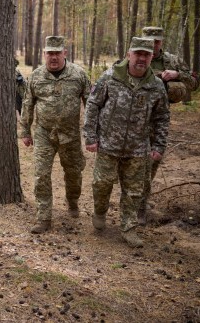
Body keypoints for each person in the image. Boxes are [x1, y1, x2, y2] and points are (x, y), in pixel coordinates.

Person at [83, 37, 170, 248]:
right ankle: (100, 211)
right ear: (129, 54)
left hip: (138, 147)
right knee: (101, 184)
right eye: (138, 53)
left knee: (133, 191)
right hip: (108, 144)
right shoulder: (110, 77)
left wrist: (159, 146)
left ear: (151, 57)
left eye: (146, 55)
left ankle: (129, 228)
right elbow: (93, 105)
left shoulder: (156, 86)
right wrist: (90, 137)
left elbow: (162, 118)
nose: (141, 58)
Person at [20, 36, 91, 233]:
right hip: (44, 134)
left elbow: (91, 104)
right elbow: (28, 104)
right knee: (41, 175)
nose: (53, 57)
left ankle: (73, 200)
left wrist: (92, 133)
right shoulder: (36, 76)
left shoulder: (78, 75)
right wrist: (25, 130)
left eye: (57, 53)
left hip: (70, 135)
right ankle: (44, 217)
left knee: (74, 173)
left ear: (64, 53)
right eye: (49, 53)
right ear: (44, 54)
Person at [140, 26, 199, 223]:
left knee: (154, 157)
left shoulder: (173, 61)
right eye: (149, 41)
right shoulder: (136, 56)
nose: (153, 45)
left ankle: (143, 198)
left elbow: (194, 82)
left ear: (161, 42)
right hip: (135, 115)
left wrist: (176, 75)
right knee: (136, 159)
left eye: (156, 41)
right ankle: (136, 200)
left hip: (159, 117)